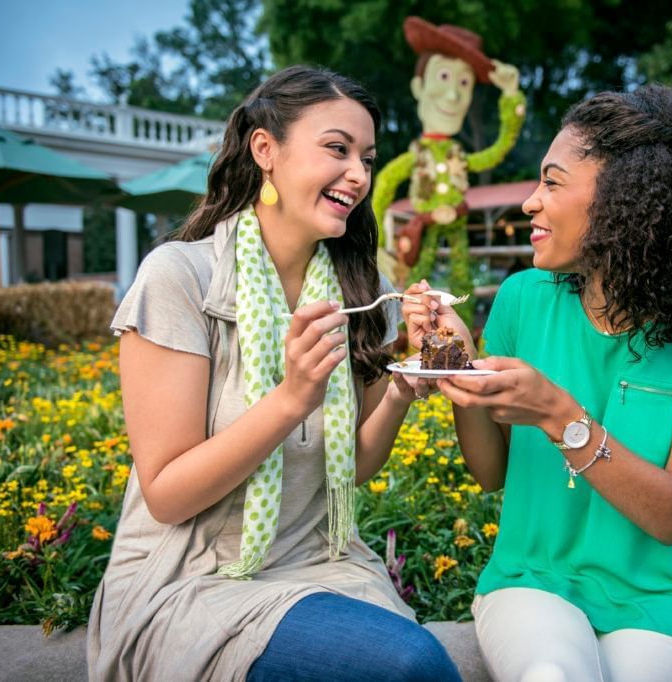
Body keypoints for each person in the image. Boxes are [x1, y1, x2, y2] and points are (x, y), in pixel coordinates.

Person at [88, 65, 461, 682]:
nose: (358, 175)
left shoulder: (363, 291)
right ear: (266, 149)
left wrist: (402, 384)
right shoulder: (181, 279)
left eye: (367, 158)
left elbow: (355, 466)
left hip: (325, 563)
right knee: (412, 665)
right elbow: (168, 493)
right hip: (194, 580)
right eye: (337, 149)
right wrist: (291, 399)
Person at [402, 85, 672, 681]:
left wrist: (558, 415)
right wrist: (460, 370)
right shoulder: (523, 298)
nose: (529, 202)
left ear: (624, 200)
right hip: (534, 580)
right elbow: (491, 472)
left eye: (552, 182)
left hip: (665, 603)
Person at [372, 16, 526, 324]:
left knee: (461, 275)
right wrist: (374, 246)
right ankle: (416, 336)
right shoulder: (415, 157)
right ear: (419, 86)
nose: (454, 95)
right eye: (444, 76)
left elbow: (496, 151)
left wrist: (511, 96)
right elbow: (383, 189)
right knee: (418, 276)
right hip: (425, 228)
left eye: (464, 83)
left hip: (456, 227)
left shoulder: (460, 155)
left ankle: (463, 328)